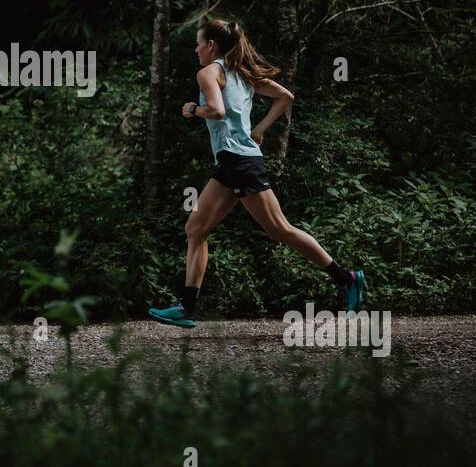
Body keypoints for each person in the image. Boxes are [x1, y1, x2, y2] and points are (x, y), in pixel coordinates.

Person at [148, 18, 366, 328]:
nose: (196, 49)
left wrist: (193, 110)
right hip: (231, 163)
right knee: (195, 229)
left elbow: (217, 111)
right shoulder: (242, 74)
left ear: (211, 46)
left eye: (199, 43)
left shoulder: (209, 73)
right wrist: (259, 129)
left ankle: (348, 279)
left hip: (240, 162)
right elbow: (285, 97)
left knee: (280, 229)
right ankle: (187, 308)